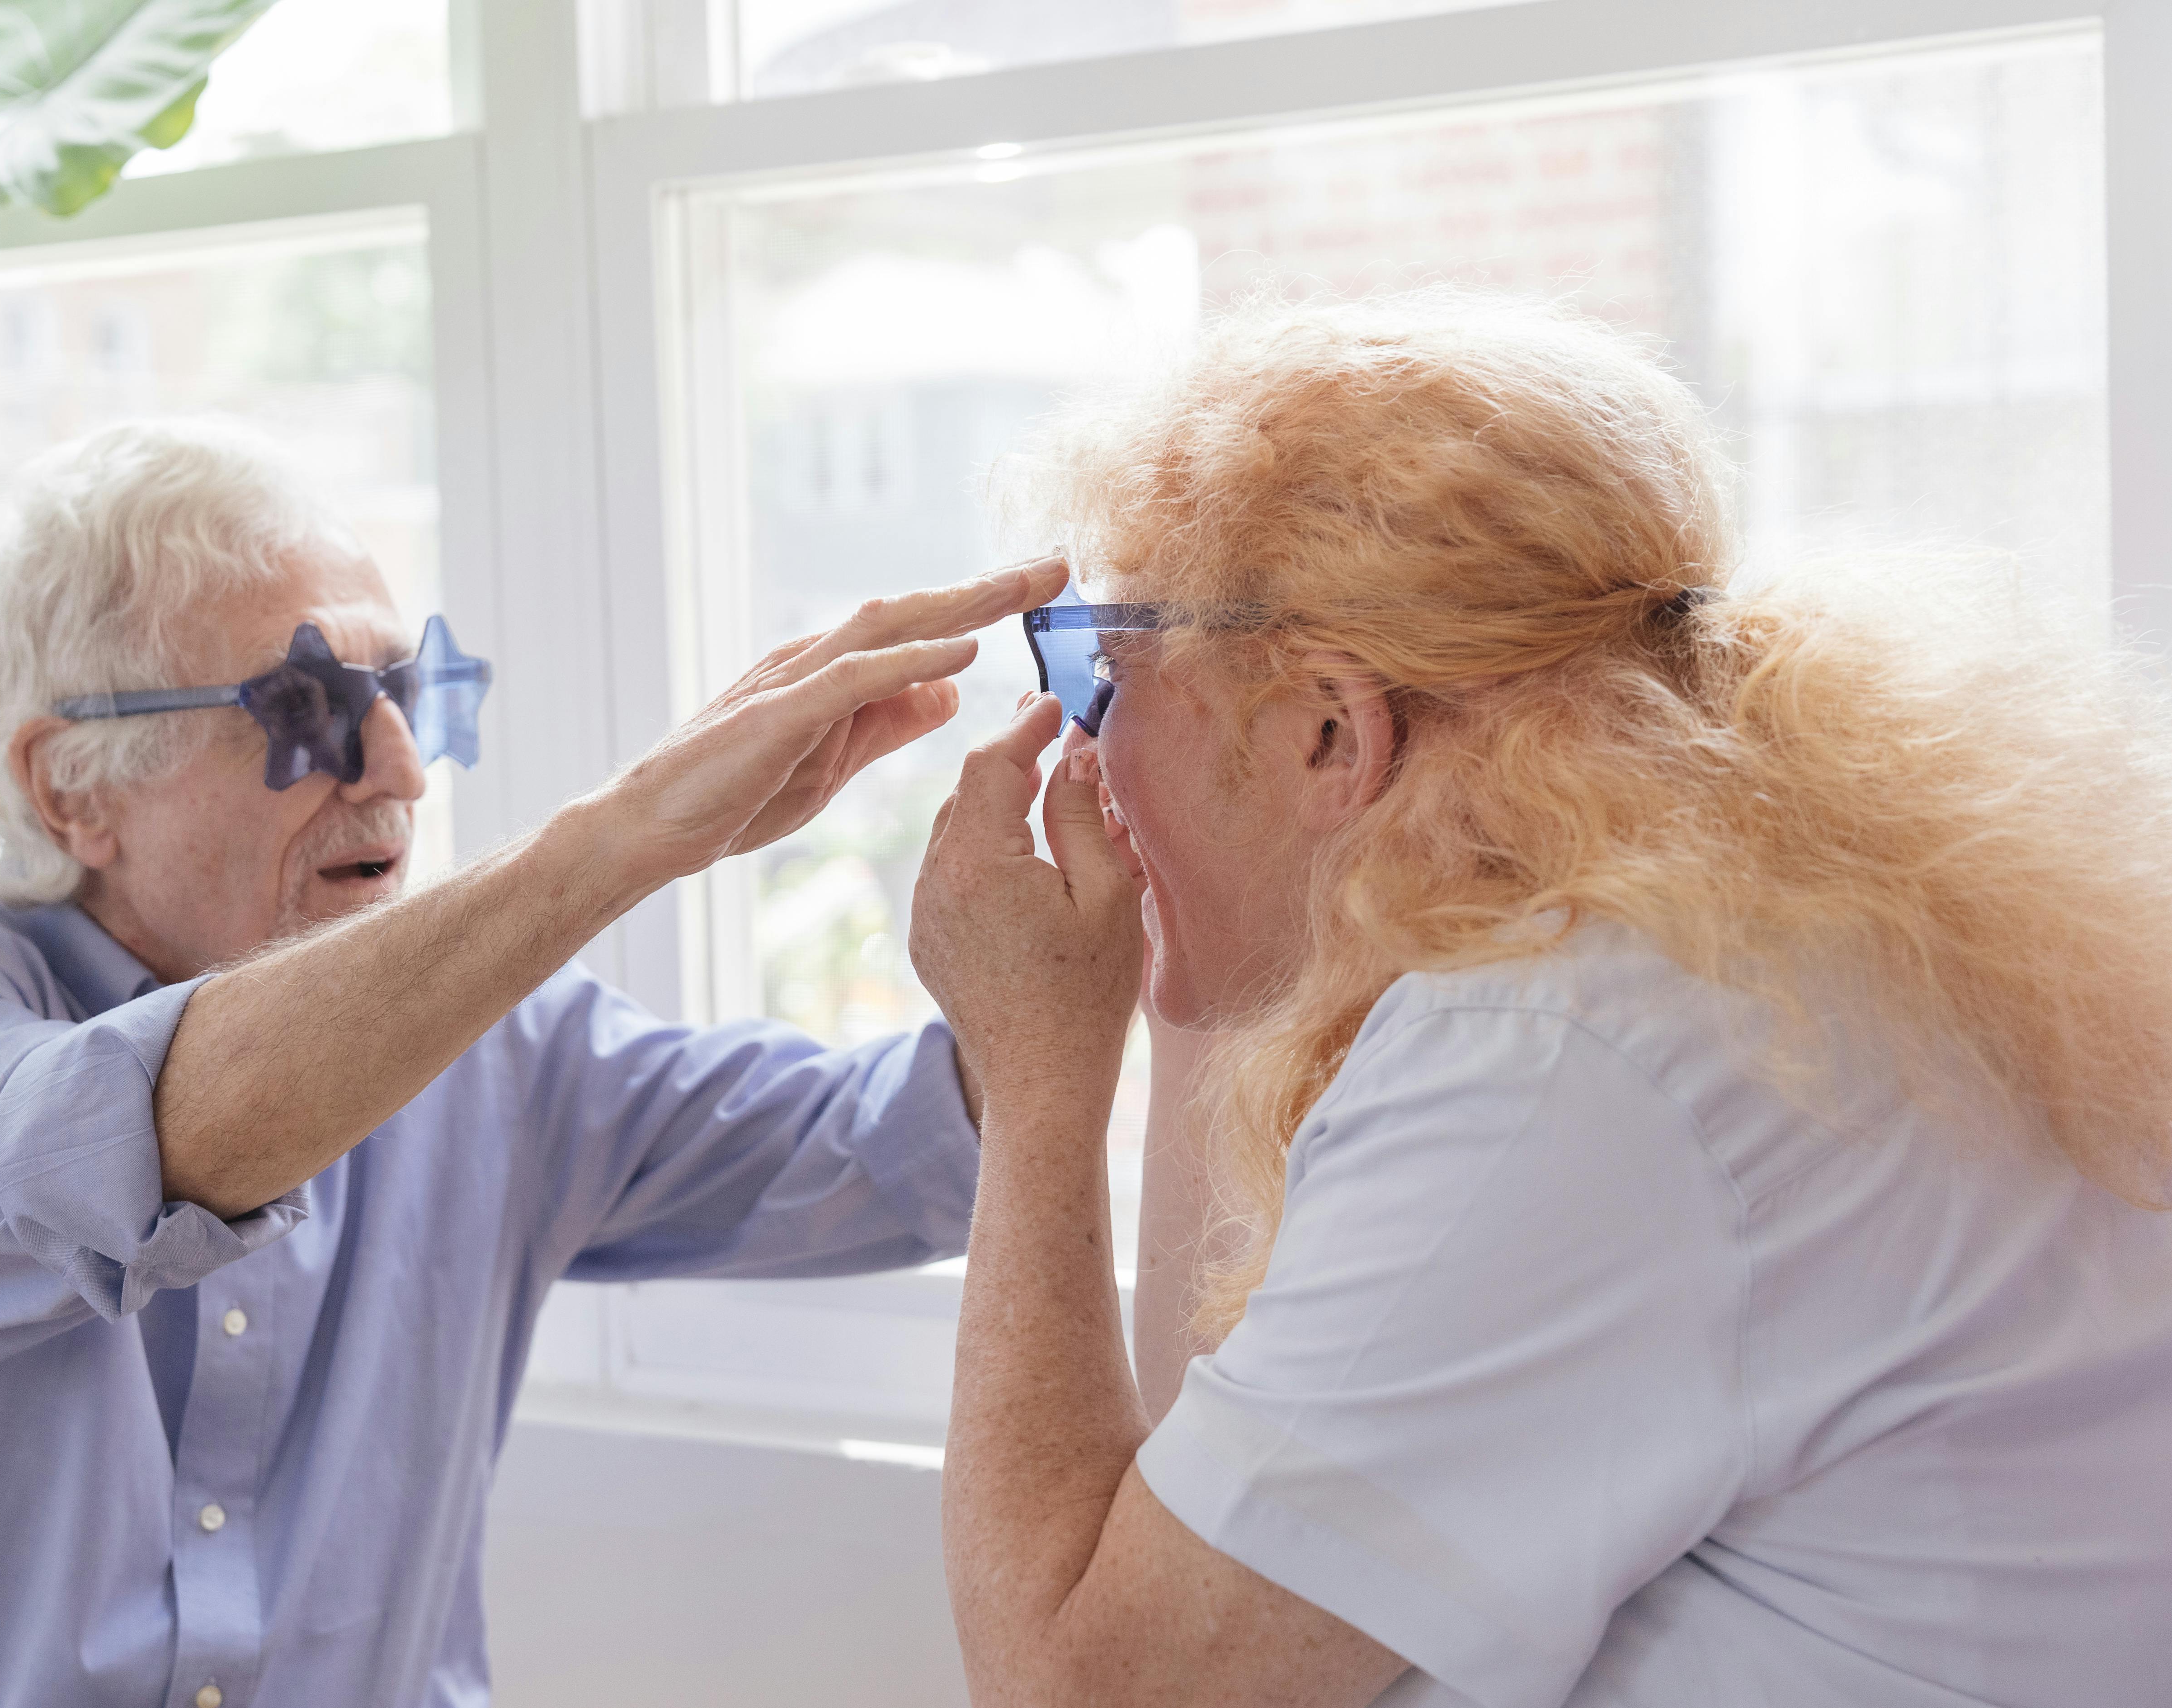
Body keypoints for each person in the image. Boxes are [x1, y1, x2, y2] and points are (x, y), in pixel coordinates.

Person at [912, 294, 2172, 1707]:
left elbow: (1078, 1686)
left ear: (1330, 726)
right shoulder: (1736, 938)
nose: (1080, 748)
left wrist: (1034, 1082)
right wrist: (1172, 969)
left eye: (1106, 669)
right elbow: (1208, 1494)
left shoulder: (1552, 1055)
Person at [0, 416, 1066, 1708]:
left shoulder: (503, 1051)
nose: (395, 764)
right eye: (306, 707)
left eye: (406, 693)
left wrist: (1136, 866)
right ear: (74, 790)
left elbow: (894, 1153)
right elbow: (117, 1148)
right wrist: (615, 842)